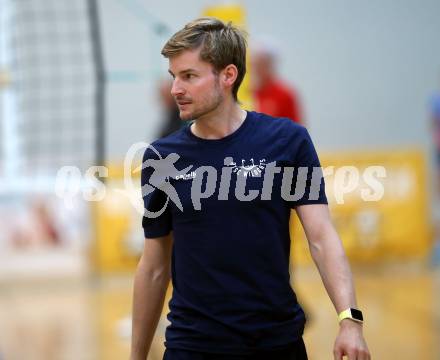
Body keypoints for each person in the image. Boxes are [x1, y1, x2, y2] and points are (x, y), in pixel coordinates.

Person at [131, 17, 370, 360]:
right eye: (174, 77)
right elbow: (154, 265)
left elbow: (321, 237)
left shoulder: (288, 141)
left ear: (228, 76)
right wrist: (136, 356)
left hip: (277, 343)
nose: (175, 89)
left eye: (189, 76)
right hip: (192, 346)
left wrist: (350, 320)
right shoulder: (161, 158)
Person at [251, 38, 304, 124]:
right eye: (254, 64)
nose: (256, 68)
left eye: (261, 64)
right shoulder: (245, 91)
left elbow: (296, 131)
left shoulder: (285, 95)